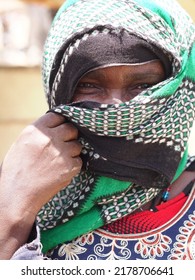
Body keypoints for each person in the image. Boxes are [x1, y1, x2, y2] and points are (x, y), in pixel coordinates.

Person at [0, 0, 195, 260]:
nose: (116, 109)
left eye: (142, 86)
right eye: (90, 84)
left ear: (179, 90)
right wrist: (15, 206)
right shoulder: (17, 184)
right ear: (58, 87)